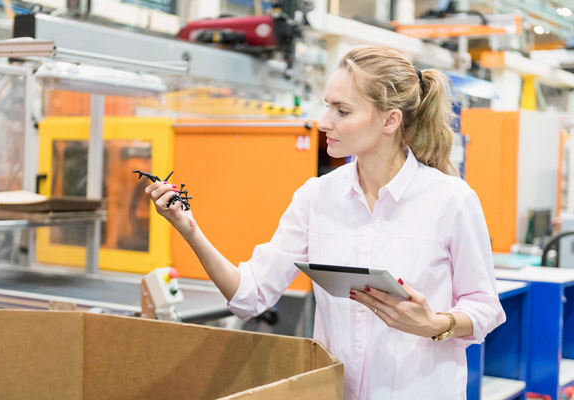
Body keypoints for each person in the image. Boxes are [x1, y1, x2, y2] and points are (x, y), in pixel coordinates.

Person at [145, 45, 506, 399]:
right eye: (327, 106)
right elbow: (249, 296)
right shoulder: (316, 197)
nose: (324, 122)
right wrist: (189, 230)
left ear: (390, 120)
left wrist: (435, 325)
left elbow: (485, 306)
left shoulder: (451, 200)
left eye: (342, 111)